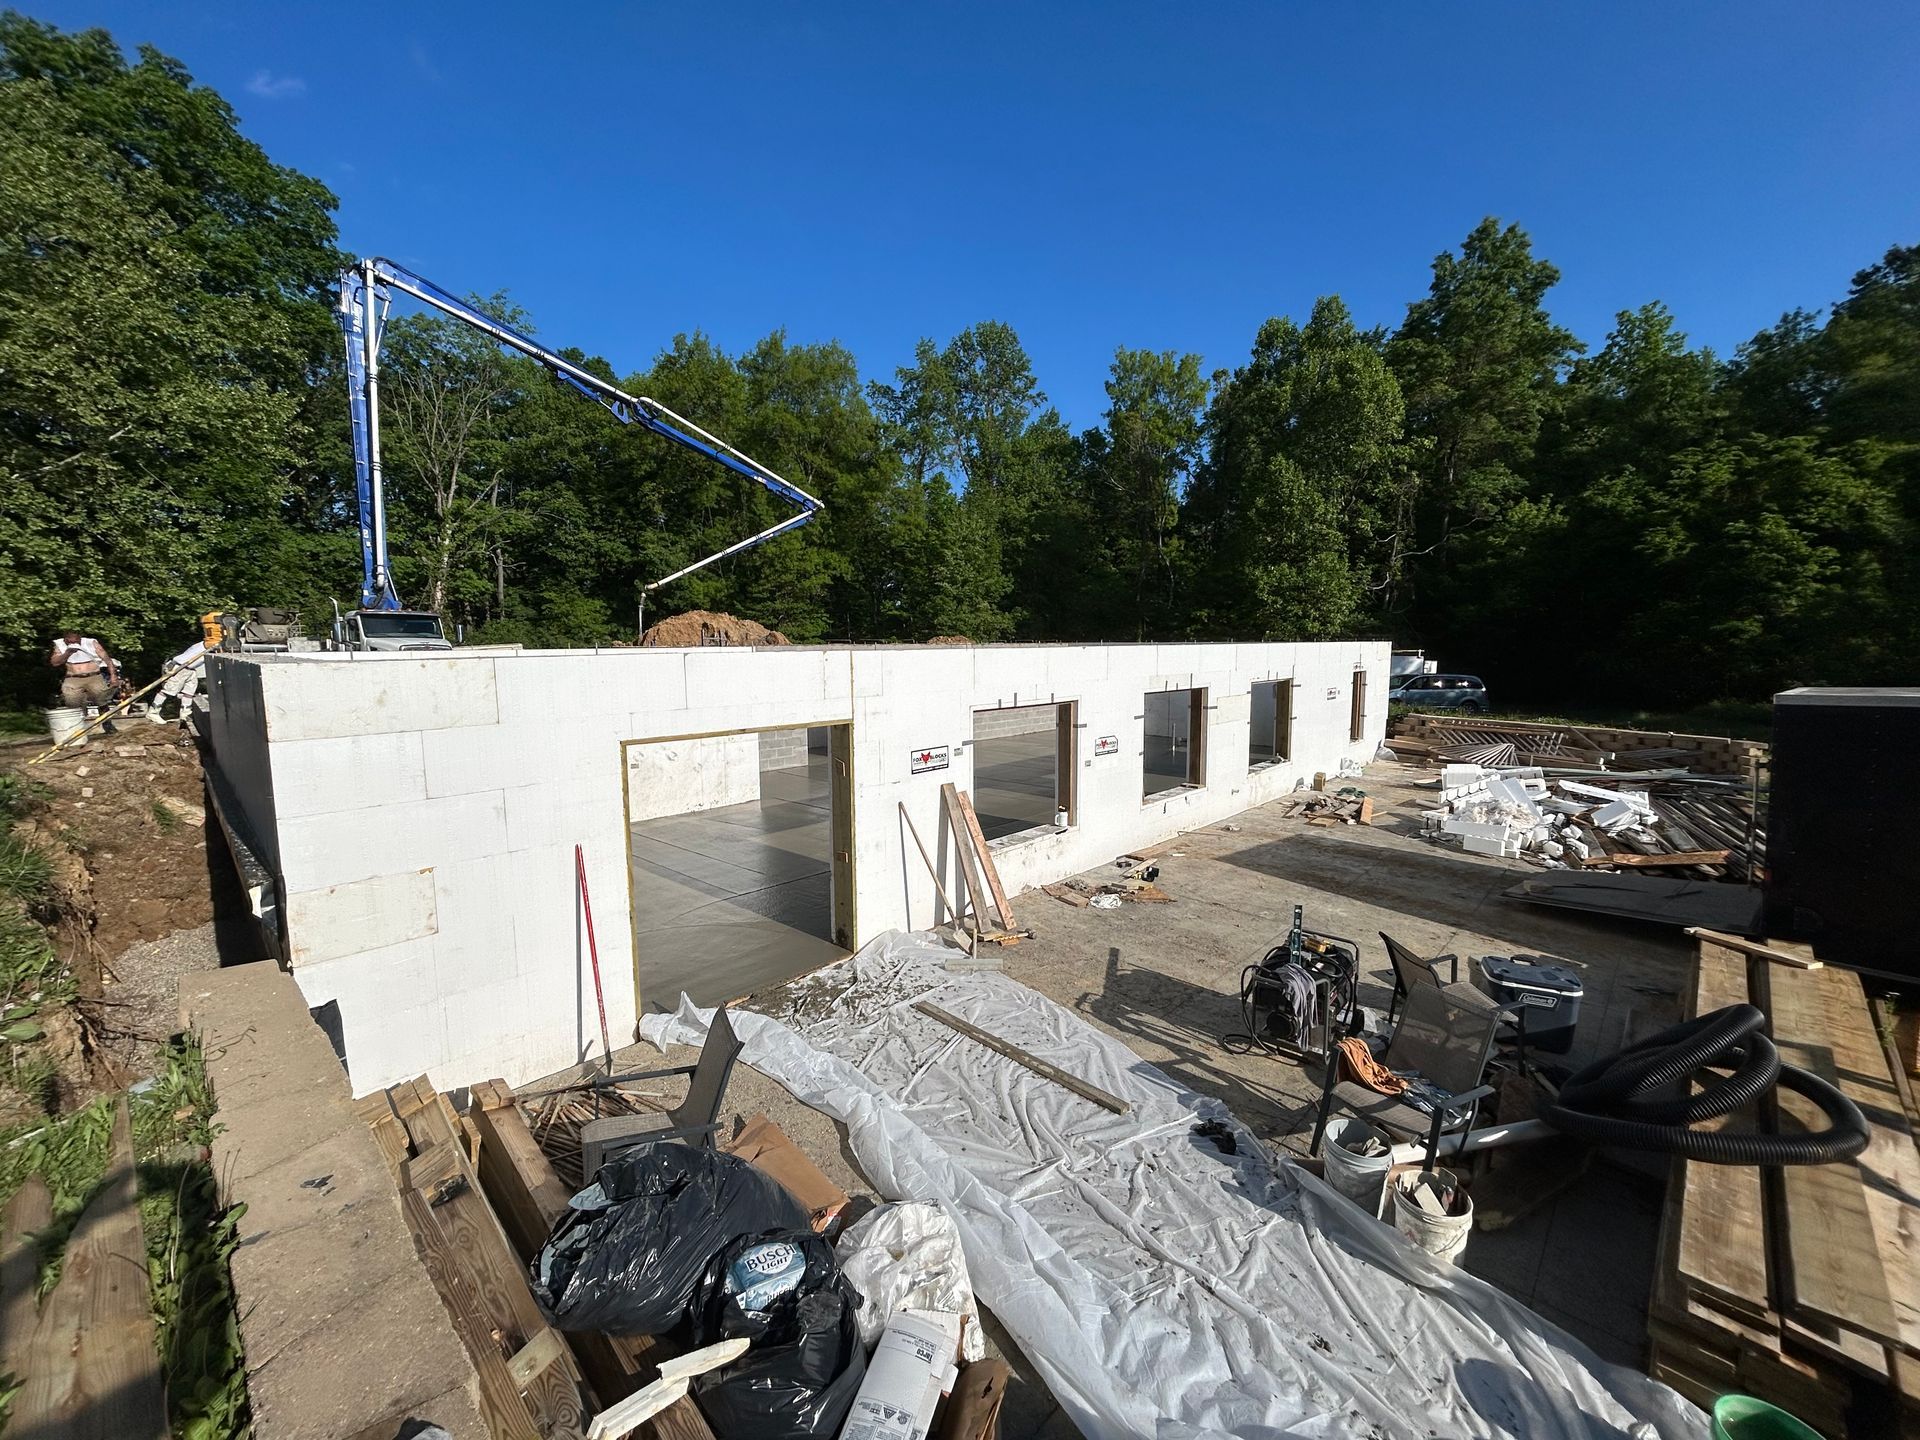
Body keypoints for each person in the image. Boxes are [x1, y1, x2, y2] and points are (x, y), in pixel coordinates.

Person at [49, 630, 121, 734]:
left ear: (79, 638)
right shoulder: (59, 645)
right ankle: (77, 729)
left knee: (102, 699)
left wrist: (113, 676)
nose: (73, 642)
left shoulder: (91, 643)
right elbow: (55, 662)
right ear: (66, 639)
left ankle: (107, 724)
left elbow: (107, 659)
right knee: (72, 703)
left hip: (93, 675)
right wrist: (67, 653)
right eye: (70, 640)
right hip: (73, 677)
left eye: (76, 640)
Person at [149, 638, 207, 724]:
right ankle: (153, 712)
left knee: (189, 692)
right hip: (181, 667)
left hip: (191, 669)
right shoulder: (207, 643)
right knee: (168, 690)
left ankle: (185, 714)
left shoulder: (204, 644)